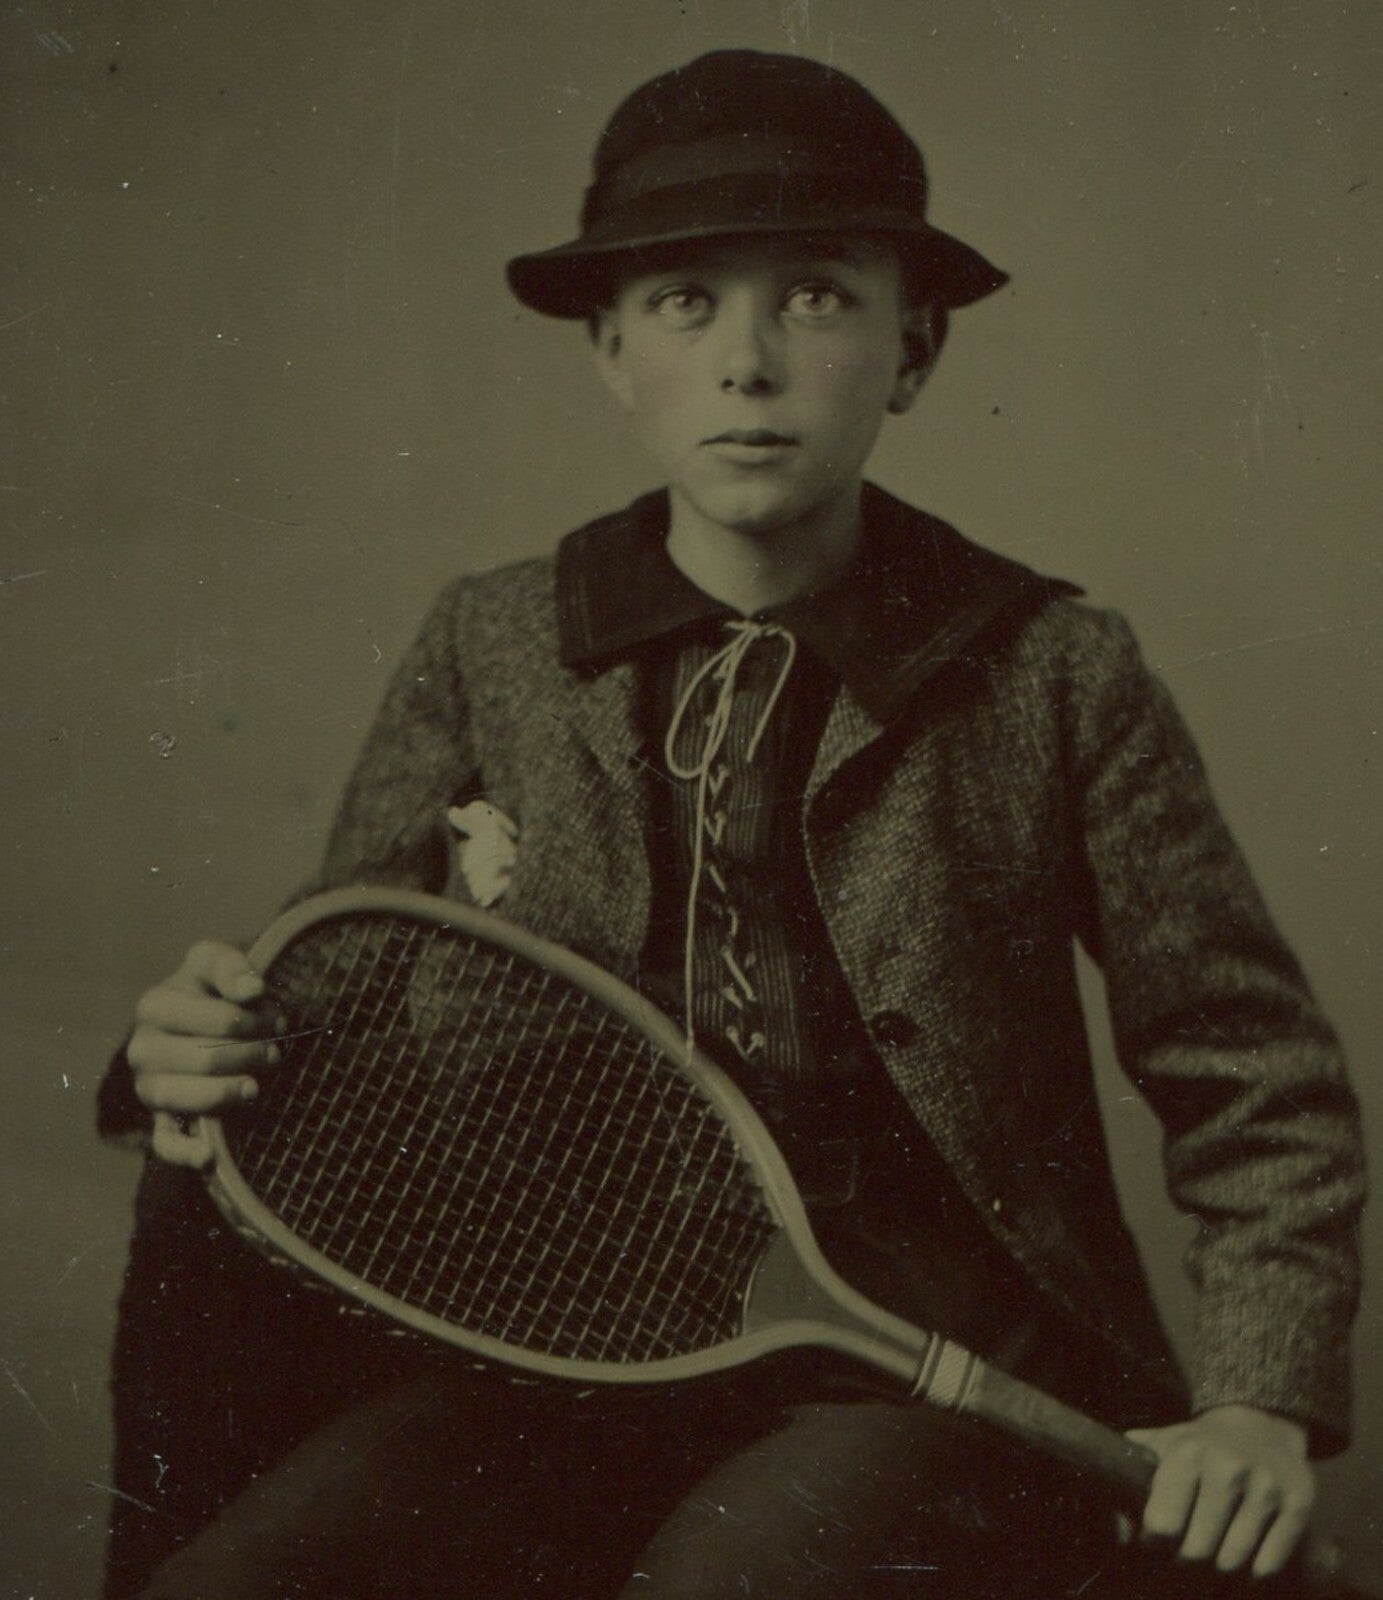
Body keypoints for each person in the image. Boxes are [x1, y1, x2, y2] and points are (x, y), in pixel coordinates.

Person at [98, 48, 1365, 1599]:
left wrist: (1256, 1401)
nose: (749, 363)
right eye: (687, 302)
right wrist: (212, 1037)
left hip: (933, 1370)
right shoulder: (492, 644)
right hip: (560, 1353)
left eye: (819, 296)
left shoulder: (1052, 671)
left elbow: (1260, 1084)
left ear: (914, 348)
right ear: (612, 348)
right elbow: (338, 994)